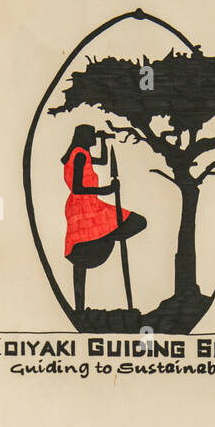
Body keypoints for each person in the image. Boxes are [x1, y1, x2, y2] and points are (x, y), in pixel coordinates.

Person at [61, 123, 146, 311]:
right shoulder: (80, 155)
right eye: (92, 135)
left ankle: (79, 308)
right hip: (85, 208)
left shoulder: (81, 153)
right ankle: (106, 236)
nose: (93, 137)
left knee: (81, 257)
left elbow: (103, 160)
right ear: (84, 136)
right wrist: (106, 190)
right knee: (136, 222)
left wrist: (103, 141)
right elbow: (77, 187)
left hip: (86, 206)